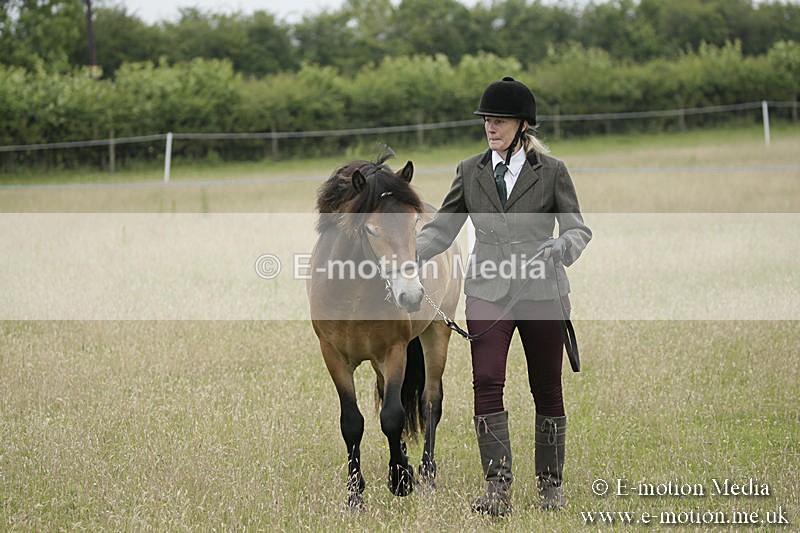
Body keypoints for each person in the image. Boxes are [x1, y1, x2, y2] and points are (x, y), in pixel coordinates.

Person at [416, 77, 591, 515]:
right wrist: (405, 258)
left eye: (499, 121)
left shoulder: (552, 172)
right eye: (487, 121)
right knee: (487, 380)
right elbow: (442, 228)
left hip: (541, 290)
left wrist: (562, 247)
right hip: (488, 289)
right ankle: (497, 487)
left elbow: (577, 229)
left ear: (522, 125)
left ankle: (550, 485)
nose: (491, 128)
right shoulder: (469, 170)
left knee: (546, 386)